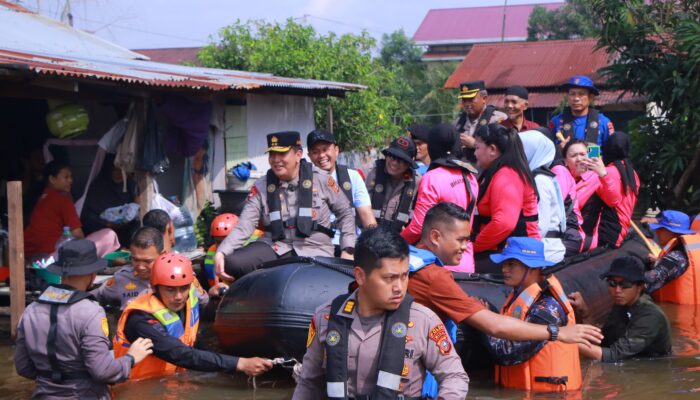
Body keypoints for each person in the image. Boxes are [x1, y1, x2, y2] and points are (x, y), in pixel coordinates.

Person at [292, 226, 469, 399]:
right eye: (389, 278)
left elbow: (454, 377)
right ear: (360, 276)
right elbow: (309, 383)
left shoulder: (423, 320)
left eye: (404, 276)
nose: (399, 288)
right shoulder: (326, 318)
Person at [407, 202, 602, 348]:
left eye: (467, 240)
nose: (466, 247)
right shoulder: (435, 277)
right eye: (461, 240)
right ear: (435, 236)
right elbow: (494, 328)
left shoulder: (407, 258)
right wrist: (557, 332)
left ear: (534, 268)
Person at [14, 240, 154, 398]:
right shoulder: (91, 312)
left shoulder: (30, 311)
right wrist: (131, 358)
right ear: (92, 274)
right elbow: (103, 372)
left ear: (61, 272)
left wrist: (53, 378)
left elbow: (23, 367)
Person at [215, 131, 355, 281]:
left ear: (298, 154)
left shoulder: (322, 180)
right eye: (272, 155)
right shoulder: (261, 186)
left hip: (314, 247)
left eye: (282, 154)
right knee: (232, 263)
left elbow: (345, 213)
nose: (276, 160)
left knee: (312, 283)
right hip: (275, 246)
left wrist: (348, 250)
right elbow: (245, 224)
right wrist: (222, 252)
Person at [114, 252, 273, 380]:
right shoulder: (140, 319)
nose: (178, 296)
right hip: (140, 387)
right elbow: (179, 353)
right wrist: (239, 363)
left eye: (183, 288)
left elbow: (195, 338)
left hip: (172, 381)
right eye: (170, 290)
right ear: (156, 288)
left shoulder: (189, 299)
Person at [486, 237, 581, 392]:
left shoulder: (547, 309)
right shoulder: (520, 296)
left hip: (548, 395)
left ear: (533, 268)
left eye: (511, 264)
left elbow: (506, 352)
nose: (504, 269)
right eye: (504, 263)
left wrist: (482, 320)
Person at [401, 123, 479, 272]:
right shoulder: (470, 177)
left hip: (437, 261)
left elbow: (418, 227)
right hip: (465, 259)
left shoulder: (432, 178)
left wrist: (397, 242)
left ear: (433, 146)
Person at [570, 256, 672, 362]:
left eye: (625, 284)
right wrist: (584, 313)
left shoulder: (650, 317)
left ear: (640, 286)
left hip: (648, 371)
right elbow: (602, 340)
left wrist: (566, 339)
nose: (617, 290)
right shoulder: (622, 305)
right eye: (612, 283)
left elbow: (613, 355)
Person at [471, 123, 540, 273]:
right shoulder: (497, 171)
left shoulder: (507, 175)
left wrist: (472, 247)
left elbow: (504, 223)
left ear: (492, 150)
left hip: (517, 255)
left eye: (477, 148)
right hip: (505, 251)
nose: (474, 154)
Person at [90, 227, 210, 310]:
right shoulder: (122, 279)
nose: (140, 267)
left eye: (148, 261)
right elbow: (94, 297)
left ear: (162, 255)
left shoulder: (181, 275)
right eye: (135, 260)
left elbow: (203, 302)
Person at [24, 160, 120, 260]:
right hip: (54, 256)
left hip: (31, 256)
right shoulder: (63, 200)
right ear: (52, 179)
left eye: (71, 177)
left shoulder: (42, 197)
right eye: (66, 177)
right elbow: (77, 234)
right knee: (109, 234)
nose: (70, 180)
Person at [306, 129, 377, 237]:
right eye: (315, 152)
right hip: (317, 244)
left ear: (336, 150)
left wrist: (375, 242)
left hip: (350, 242)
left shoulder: (352, 177)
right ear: (309, 156)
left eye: (325, 149)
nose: (321, 155)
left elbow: (367, 216)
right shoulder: (304, 182)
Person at [562, 139, 621, 252]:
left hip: (583, 240)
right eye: (574, 155)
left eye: (583, 154)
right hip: (562, 237)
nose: (579, 159)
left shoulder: (595, 177)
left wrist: (603, 174)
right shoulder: (561, 175)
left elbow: (614, 201)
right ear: (565, 161)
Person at [518, 129, 567, 263]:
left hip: (545, 250)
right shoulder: (545, 176)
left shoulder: (539, 180)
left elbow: (541, 225)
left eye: (521, 150)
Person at [81, 153, 140, 247]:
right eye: (115, 170)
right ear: (108, 170)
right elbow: (86, 215)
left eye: (122, 170)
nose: (119, 174)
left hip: (126, 237)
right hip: (102, 237)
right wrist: (106, 224)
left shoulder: (130, 185)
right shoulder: (97, 187)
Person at [365, 136, 422, 233]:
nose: (394, 163)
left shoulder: (416, 182)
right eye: (392, 156)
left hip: (398, 239)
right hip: (369, 233)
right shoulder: (370, 172)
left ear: (409, 164)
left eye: (401, 160)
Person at [595, 132, 640, 248]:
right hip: (621, 230)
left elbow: (610, 200)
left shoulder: (606, 172)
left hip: (607, 231)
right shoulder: (633, 174)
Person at [645, 210, 700, 304]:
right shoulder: (691, 250)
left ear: (673, 233)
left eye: (661, 229)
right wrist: (658, 262)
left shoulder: (677, 257)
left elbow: (651, 279)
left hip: (679, 315)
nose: (657, 232)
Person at [549, 75, 615, 148]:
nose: (576, 98)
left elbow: (611, 152)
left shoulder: (603, 122)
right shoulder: (556, 121)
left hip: (593, 158)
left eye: (581, 94)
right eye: (572, 94)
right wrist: (559, 151)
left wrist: (598, 158)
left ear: (590, 98)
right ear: (567, 97)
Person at [454, 80, 507, 162]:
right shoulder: (458, 123)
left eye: (471, 99)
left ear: (484, 98)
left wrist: (475, 144)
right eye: (464, 100)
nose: (467, 104)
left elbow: (504, 148)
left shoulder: (498, 119)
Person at [203, 213, 238, 289]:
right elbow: (213, 280)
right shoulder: (212, 251)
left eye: (227, 241)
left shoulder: (252, 246)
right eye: (218, 242)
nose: (223, 246)